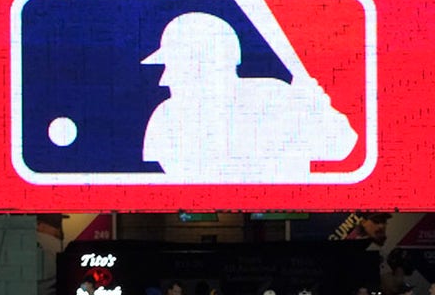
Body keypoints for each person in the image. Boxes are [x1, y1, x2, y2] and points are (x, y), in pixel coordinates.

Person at [141, 12, 356, 182]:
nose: (164, 79)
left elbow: (342, 146)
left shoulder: (276, 97)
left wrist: (317, 111)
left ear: (206, 67)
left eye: (175, 67)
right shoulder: (167, 118)